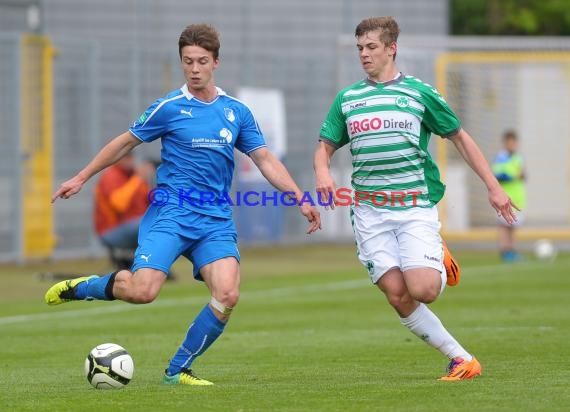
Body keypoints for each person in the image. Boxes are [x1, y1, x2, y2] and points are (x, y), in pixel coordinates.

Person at [45, 23, 321, 386]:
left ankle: (178, 371)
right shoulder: (169, 107)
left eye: (201, 61)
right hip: (172, 214)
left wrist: (299, 197)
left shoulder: (235, 112)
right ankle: (82, 288)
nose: (193, 69)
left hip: (215, 220)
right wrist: (81, 177)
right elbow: (124, 143)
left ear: (216, 63)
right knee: (144, 292)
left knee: (228, 293)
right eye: (187, 61)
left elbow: (265, 159)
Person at [313, 16, 517, 381]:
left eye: (371, 47)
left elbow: (460, 138)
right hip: (369, 212)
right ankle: (462, 360)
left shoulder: (419, 93)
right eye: (360, 48)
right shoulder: (348, 98)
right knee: (397, 295)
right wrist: (323, 172)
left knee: (423, 290)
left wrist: (493, 185)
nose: (364, 54)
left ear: (392, 48)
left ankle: (438, 255)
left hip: (413, 206)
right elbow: (324, 146)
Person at [94, 153, 155, 270]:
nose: (130, 161)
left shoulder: (132, 176)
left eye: (131, 157)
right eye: (126, 157)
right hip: (111, 231)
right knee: (147, 223)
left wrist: (150, 180)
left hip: (130, 226)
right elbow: (119, 205)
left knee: (159, 219)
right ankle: (150, 264)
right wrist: (138, 179)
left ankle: (151, 265)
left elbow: (150, 202)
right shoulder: (111, 175)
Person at [492, 130, 526, 262]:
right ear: (506, 143)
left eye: (514, 142)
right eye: (510, 142)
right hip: (504, 197)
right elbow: (498, 175)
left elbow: (523, 175)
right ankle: (504, 250)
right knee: (504, 226)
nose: (512, 144)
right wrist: (513, 176)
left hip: (518, 198)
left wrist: (521, 175)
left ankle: (511, 250)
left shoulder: (518, 157)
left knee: (513, 226)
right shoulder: (501, 157)